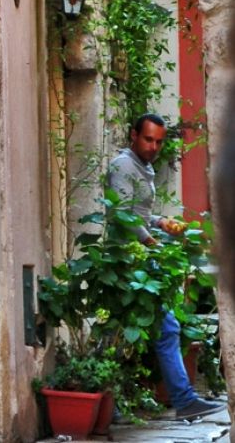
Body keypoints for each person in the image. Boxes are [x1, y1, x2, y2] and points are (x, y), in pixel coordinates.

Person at [106, 112, 225, 419]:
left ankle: (114, 404)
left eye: (159, 141)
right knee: (126, 331)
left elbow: (140, 215)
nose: (154, 147)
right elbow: (122, 214)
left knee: (145, 330)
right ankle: (113, 401)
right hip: (128, 262)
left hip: (141, 260)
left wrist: (162, 221)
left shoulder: (143, 166)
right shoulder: (122, 165)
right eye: (148, 139)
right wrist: (152, 243)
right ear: (134, 135)